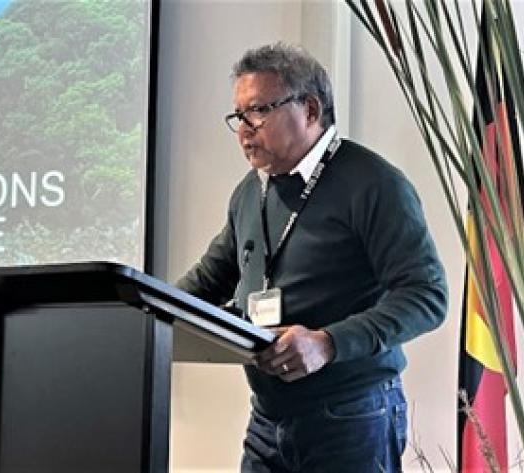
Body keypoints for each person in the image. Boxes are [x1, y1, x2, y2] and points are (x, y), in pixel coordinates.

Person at [175, 43, 448, 472]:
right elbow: (209, 280)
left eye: (258, 110)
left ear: (310, 109)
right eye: (238, 115)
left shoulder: (373, 184)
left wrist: (327, 343)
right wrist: (141, 315)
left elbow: (427, 296)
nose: (244, 129)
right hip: (268, 417)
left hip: (351, 413)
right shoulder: (251, 191)